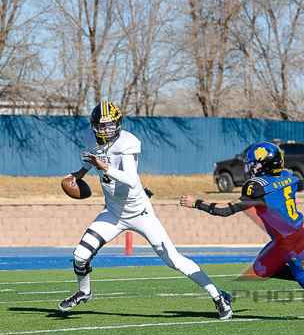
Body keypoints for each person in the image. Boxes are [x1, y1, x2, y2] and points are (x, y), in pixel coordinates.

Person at [60, 100, 232, 319]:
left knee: (173, 260)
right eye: (101, 126)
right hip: (113, 212)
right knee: (80, 255)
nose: (106, 130)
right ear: (94, 126)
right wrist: (79, 174)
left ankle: (218, 296)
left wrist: (105, 166)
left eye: (110, 125)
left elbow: (131, 180)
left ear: (118, 124)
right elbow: (90, 160)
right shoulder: (88, 138)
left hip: (140, 213)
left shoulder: (128, 142)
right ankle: (84, 292)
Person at [180, 141, 304, 320]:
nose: (251, 168)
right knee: (261, 268)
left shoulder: (258, 188)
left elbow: (225, 210)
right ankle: (303, 275)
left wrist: (197, 203)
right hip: (284, 241)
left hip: (296, 247)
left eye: (254, 164)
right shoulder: (286, 176)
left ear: (264, 165)